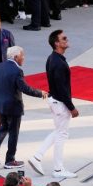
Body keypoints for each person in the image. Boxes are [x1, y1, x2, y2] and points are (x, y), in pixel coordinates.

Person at [0, 46, 48, 169]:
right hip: (13, 107)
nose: (24, 58)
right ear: (16, 57)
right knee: (13, 133)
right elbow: (25, 88)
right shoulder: (17, 71)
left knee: (4, 127)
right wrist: (40, 93)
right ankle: (10, 160)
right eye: (22, 55)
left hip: (0, 105)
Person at [29, 30, 79, 177]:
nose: (66, 39)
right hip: (59, 102)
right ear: (56, 43)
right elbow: (62, 88)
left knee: (58, 132)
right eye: (64, 38)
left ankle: (37, 156)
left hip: (55, 100)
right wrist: (72, 107)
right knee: (62, 134)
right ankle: (58, 169)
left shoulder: (53, 58)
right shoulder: (58, 62)